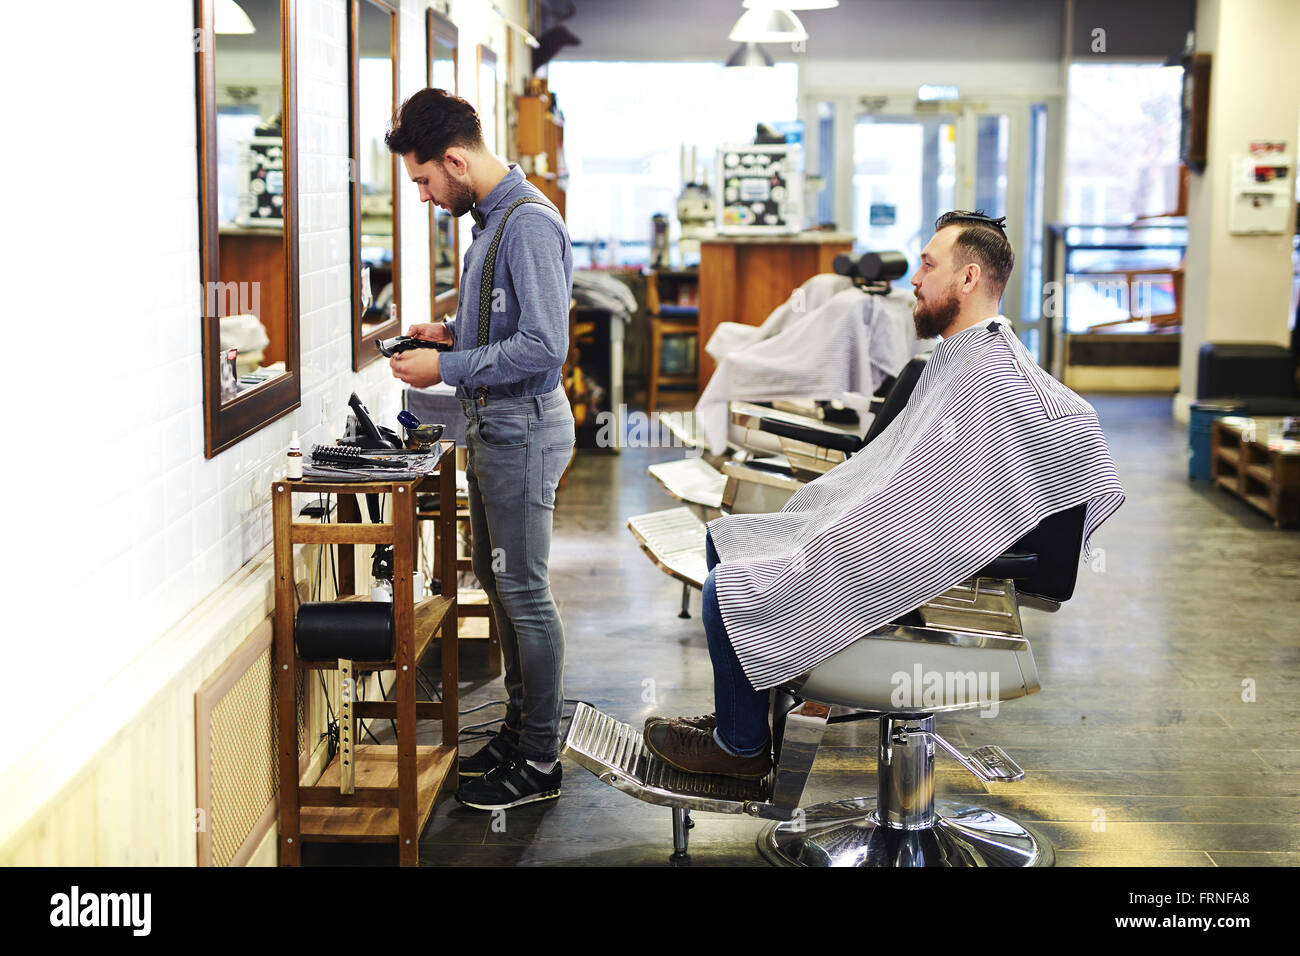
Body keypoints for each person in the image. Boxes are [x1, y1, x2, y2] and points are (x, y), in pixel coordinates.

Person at [643, 210, 1126, 779]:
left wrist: (848, 532)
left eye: (927, 265)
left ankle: (741, 753)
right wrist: (835, 511)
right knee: (726, 539)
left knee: (730, 587)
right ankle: (742, 723)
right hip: (890, 527)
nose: (914, 281)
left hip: (931, 557)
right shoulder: (958, 358)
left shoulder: (998, 378)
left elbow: (964, 496)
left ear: (968, 279)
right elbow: (903, 473)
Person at [385, 89, 575, 809]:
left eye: (427, 181)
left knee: (524, 593)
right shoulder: (490, 222)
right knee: (500, 587)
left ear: (456, 160)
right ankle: (524, 731)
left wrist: (448, 368)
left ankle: (541, 759)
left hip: (522, 427)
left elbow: (543, 347)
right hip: (497, 429)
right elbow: (507, 327)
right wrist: (450, 336)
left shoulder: (526, 224)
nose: (428, 196)